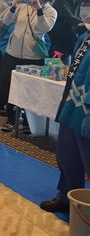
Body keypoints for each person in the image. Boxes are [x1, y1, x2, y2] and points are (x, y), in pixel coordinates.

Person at [40, 24, 90, 213]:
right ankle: (67, 196)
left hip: (86, 110)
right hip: (72, 104)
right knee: (67, 155)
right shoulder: (84, 36)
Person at [0, 0, 57, 131]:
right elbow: (6, 21)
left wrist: (39, 10)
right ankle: (10, 118)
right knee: (9, 86)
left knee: (30, 90)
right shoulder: (23, 6)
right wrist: (14, 6)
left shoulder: (51, 11)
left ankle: (28, 122)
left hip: (33, 56)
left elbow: (42, 29)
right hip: (13, 52)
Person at [49, 0, 86, 64]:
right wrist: (86, 25)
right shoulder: (60, 2)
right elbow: (70, 18)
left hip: (70, 45)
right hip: (58, 45)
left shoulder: (78, 4)